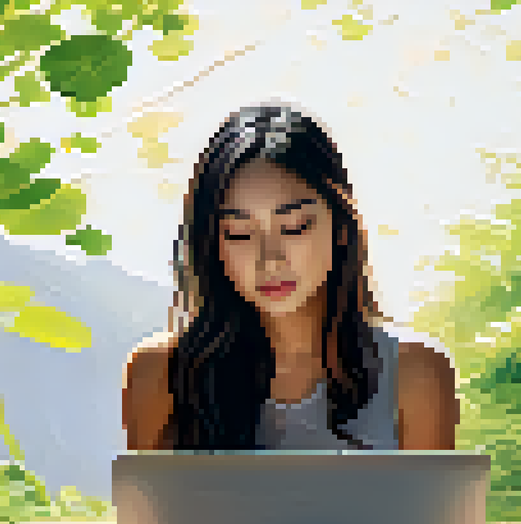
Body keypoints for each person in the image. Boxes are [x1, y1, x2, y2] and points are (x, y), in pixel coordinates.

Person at [122, 102, 459, 451]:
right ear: (212, 246)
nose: (270, 260)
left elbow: (432, 507)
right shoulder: (159, 373)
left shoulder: (416, 373)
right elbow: (148, 506)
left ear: (341, 227)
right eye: (239, 233)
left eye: (294, 227)